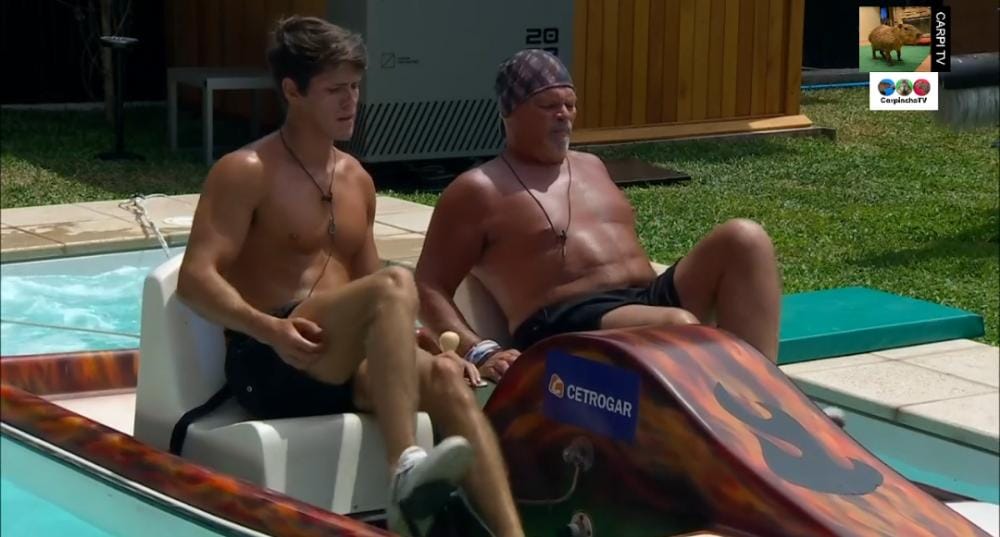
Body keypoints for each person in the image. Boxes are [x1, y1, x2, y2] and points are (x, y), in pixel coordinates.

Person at [176, 16, 523, 537]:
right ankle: (404, 469)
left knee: (447, 378)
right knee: (395, 282)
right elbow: (194, 279)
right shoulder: (246, 170)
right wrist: (268, 329)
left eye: (355, 87)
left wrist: (427, 346)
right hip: (272, 358)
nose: (351, 101)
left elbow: (372, 291)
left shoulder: (357, 179)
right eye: (335, 89)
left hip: (344, 362)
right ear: (292, 91)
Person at [415, 49, 782, 383]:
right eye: (548, 106)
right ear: (509, 113)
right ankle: (727, 408)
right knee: (677, 326)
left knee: (744, 238)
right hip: (564, 322)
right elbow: (428, 284)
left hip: (646, 300)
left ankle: (763, 392)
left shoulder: (592, 165)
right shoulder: (479, 189)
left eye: (570, 105)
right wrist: (479, 351)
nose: (564, 115)